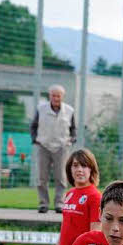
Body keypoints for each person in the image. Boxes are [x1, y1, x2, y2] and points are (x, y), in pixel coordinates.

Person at [30, 85, 77, 213]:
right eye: (53, 95)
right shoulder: (41, 109)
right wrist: (35, 139)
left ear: (62, 96)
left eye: (58, 95)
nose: (56, 98)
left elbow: (73, 129)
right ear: (49, 96)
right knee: (42, 177)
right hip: (43, 145)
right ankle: (43, 204)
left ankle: (59, 203)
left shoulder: (69, 110)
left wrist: (71, 140)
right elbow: (33, 125)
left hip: (61, 147)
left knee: (61, 176)